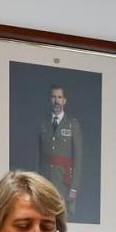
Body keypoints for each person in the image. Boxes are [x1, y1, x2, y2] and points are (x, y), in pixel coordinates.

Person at [37, 84, 82, 217]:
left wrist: (74, 188)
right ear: (49, 99)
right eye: (53, 97)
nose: (56, 101)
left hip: (63, 182)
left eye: (59, 97)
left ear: (64, 100)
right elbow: (38, 156)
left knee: (61, 220)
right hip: (45, 181)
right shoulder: (43, 123)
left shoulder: (72, 125)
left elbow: (78, 158)